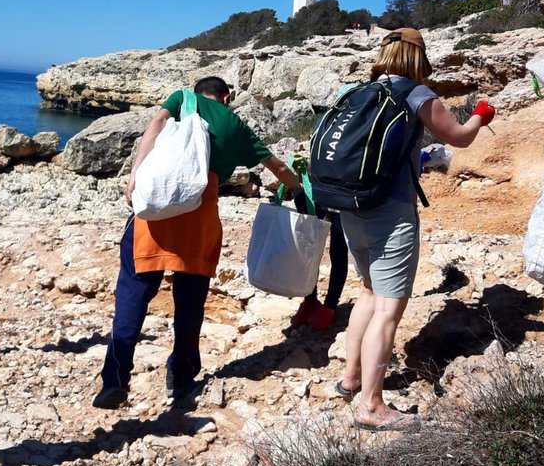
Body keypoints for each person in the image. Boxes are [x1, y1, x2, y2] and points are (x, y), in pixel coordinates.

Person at [93, 76, 303, 409]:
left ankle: (115, 379)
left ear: (197, 93)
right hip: (200, 218)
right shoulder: (236, 124)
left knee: (133, 293)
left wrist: (135, 173)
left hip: (155, 213)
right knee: (190, 304)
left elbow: (156, 124)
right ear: (227, 97)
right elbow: (277, 166)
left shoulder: (181, 99)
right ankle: (181, 376)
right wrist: (302, 189)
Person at [336, 28, 494, 430]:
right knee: (389, 309)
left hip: (351, 205)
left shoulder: (358, 90)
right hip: (390, 211)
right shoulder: (416, 94)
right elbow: (458, 137)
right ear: (418, 57)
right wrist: (480, 115)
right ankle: (371, 406)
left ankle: (350, 378)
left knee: (368, 292)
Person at [289, 204, 347, 331]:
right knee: (309, 252)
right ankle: (310, 300)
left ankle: (330, 305)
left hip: (342, 203)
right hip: (316, 199)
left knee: (338, 253)